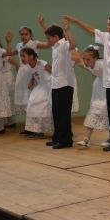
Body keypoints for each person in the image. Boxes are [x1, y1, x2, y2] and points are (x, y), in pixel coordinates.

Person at [65, 12, 110, 154]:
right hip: (109, 82)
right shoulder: (106, 37)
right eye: (107, 24)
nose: (108, 27)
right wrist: (76, 20)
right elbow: (90, 29)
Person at [43, 17, 76, 149]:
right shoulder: (55, 46)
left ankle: (65, 140)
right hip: (56, 84)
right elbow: (51, 33)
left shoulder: (63, 45)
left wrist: (67, 30)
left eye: (49, 38)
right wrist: (46, 25)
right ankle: (57, 138)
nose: (47, 41)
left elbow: (73, 45)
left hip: (65, 84)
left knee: (63, 115)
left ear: (56, 37)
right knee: (56, 113)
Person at [72, 45, 109, 148]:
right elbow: (79, 61)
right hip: (98, 89)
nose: (85, 61)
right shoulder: (92, 64)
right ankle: (87, 139)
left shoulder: (101, 65)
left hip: (107, 89)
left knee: (108, 113)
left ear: (95, 58)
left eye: (88, 59)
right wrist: (73, 48)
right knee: (93, 111)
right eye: (85, 59)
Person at [23, 48, 53, 139]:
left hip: (48, 87)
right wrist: (31, 80)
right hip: (40, 86)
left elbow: (54, 72)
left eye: (24, 56)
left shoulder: (42, 63)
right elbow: (35, 73)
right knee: (31, 105)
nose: (22, 58)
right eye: (21, 56)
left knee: (41, 108)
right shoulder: (29, 66)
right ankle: (36, 130)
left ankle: (40, 131)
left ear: (31, 56)